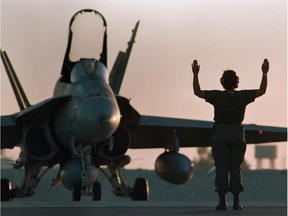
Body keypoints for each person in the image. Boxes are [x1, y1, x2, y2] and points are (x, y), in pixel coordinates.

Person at [191, 59, 269, 210]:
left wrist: (195, 75)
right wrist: (264, 73)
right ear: (236, 82)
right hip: (237, 134)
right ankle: (236, 201)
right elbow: (262, 91)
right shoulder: (243, 96)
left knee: (221, 167)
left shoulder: (217, 96)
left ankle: (221, 201)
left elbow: (197, 92)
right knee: (235, 167)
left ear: (222, 82)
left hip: (220, 133)